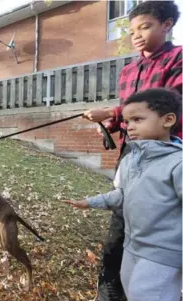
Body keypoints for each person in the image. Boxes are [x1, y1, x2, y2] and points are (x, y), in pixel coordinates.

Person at [81, 1, 182, 299]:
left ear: (167, 25)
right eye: (131, 30)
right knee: (121, 223)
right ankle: (113, 290)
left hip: (164, 158)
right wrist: (111, 120)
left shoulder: (177, 60)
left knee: (159, 222)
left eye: (145, 27)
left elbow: (171, 107)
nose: (136, 35)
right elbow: (132, 116)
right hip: (132, 156)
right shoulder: (129, 70)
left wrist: (111, 110)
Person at [67, 88, 182, 301]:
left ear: (168, 120)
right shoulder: (130, 160)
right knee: (131, 292)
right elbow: (121, 195)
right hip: (131, 247)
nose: (130, 127)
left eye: (138, 119)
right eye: (127, 122)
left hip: (163, 255)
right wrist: (90, 202)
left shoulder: (178, 163)